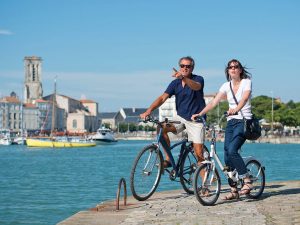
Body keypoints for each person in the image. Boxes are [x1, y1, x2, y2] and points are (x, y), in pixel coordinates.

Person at [191, 59, 253, 200]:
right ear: (228, 70)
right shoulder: (226, 85)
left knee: (232, 150)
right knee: (226, 154)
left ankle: (247, 180)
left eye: (236, 67)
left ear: (240, 70)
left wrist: (236, 109)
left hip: (243, 122)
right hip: (231, 123)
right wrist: (200, 114)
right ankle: (233, 190)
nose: (233, 69)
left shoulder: (246, 82)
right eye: (230, 67)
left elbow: (244, 98)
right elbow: (214, 101)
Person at [140, 56, 206, 168]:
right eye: (182, 66)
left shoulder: (198, 79)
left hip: (196, 121)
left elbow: (196, 87)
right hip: (180, 119)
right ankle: (168, 159)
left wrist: (184, 78)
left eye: (188, 66)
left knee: (199, 155)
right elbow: (162, 98)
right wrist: (148, 111)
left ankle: (205, 183)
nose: (185, 68)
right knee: (161, 127)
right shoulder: (175, 83)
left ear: (192, 68)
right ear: (179, 67)